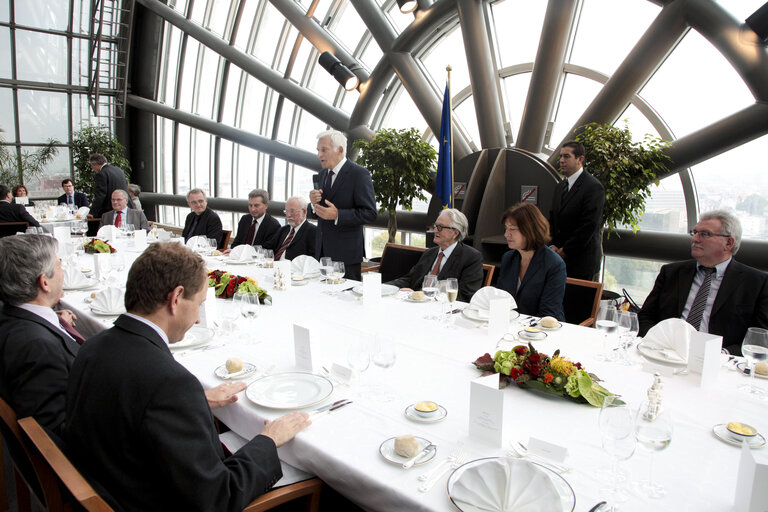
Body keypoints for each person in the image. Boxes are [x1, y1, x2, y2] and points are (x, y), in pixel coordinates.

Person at [64, 242, 311, 511]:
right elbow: (219, 497)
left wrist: (195, 402)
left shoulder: (92, 347)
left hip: (113, 485)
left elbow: (129, 408)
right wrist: (269, 440)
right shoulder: (170, 383)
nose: (196, 320)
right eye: (199, 304)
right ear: (176, 298)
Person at [638, 210, 768, 356]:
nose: (695, 239)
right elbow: (645, 316)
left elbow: (760, 338)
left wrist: (721, 354)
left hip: (720, 362)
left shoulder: (757, 283)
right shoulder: (671, 272)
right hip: (665, 354)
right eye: (695, 233)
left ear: (729, 243)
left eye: (705, 234)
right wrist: (656, 343)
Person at [0, 235, 80, 434]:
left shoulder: (11, 316)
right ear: (44, 282)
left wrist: (54, 320)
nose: (63, 271)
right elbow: (52, 433)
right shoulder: (38, 347)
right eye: (59, 265)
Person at [309, 130, 376, 281]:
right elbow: (317, 212)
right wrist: (313, 204)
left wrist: (338, 215)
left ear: (339, 150)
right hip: (322, 254)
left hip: (347, 257)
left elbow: (370, 213)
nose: (319, 155)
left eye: (323, 150)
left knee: (347, 302)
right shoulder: (321, 175)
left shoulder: (359, 174)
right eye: (318, 150)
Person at [387, 209, 483, 303]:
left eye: (440, 227)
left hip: (442, 309)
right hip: (415, 303)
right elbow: (410, 279)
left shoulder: (471, 258)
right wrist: (384, 287)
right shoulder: (430, 253)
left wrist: (423, 296)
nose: (435, 230)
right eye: (435, 226)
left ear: (455, 233)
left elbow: (465, 296)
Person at [495, 203, 566, 320]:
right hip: (510, 326)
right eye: (506, 229)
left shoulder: (554, 264)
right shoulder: (509, 258)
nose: (506, 234)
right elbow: (500, 298)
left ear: (530, 230)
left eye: (512, 229)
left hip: (541, 330)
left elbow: (549, 312)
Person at [548, 141, 605, 280]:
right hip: (557, 260)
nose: (561, 160)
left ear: (580, 159)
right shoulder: (560, 186)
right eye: (561, 156)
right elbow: (552, 219)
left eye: (566, 156)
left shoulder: (593, 187)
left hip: (581, 263)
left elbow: (588, 226)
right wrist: (552, 245)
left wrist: (565, 251)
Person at [265, 196, 316, 261]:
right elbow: (268, 247)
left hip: (293, 269)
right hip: (274, 267)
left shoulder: (313, 232)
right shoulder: (283, 230)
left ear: (304, 212)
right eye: (286, 211)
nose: (288, 215)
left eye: (292, 211)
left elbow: (312, 260)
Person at [88, 153, 134, 218]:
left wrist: (92, 212)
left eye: (92, 166)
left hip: (111, 210)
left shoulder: (101, 174)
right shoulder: (119, 170)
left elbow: (100, 195)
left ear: (95, 164)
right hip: (126, 207)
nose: (92, 169)